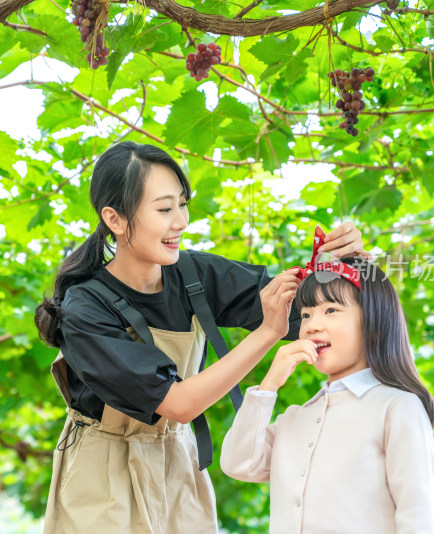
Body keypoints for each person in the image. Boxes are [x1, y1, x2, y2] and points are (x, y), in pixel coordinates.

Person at [34, 142, 367, 533]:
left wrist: (345, 266)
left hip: (178, 463)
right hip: (101, 472)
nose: (180, 221)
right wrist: (267, 333)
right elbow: (178, 404)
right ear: (116, 219)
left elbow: (309, 316)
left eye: (182, 204)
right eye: (163, 209)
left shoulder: (196, 275)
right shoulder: (85, 307)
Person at [220, 227, 434, 534]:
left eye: (331, 310)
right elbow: (238, 463)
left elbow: (418, 519)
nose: (313, 325)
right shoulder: (296, 418)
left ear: (373, 322)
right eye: (307, 314)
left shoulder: (396, 407)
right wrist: (268, 385)